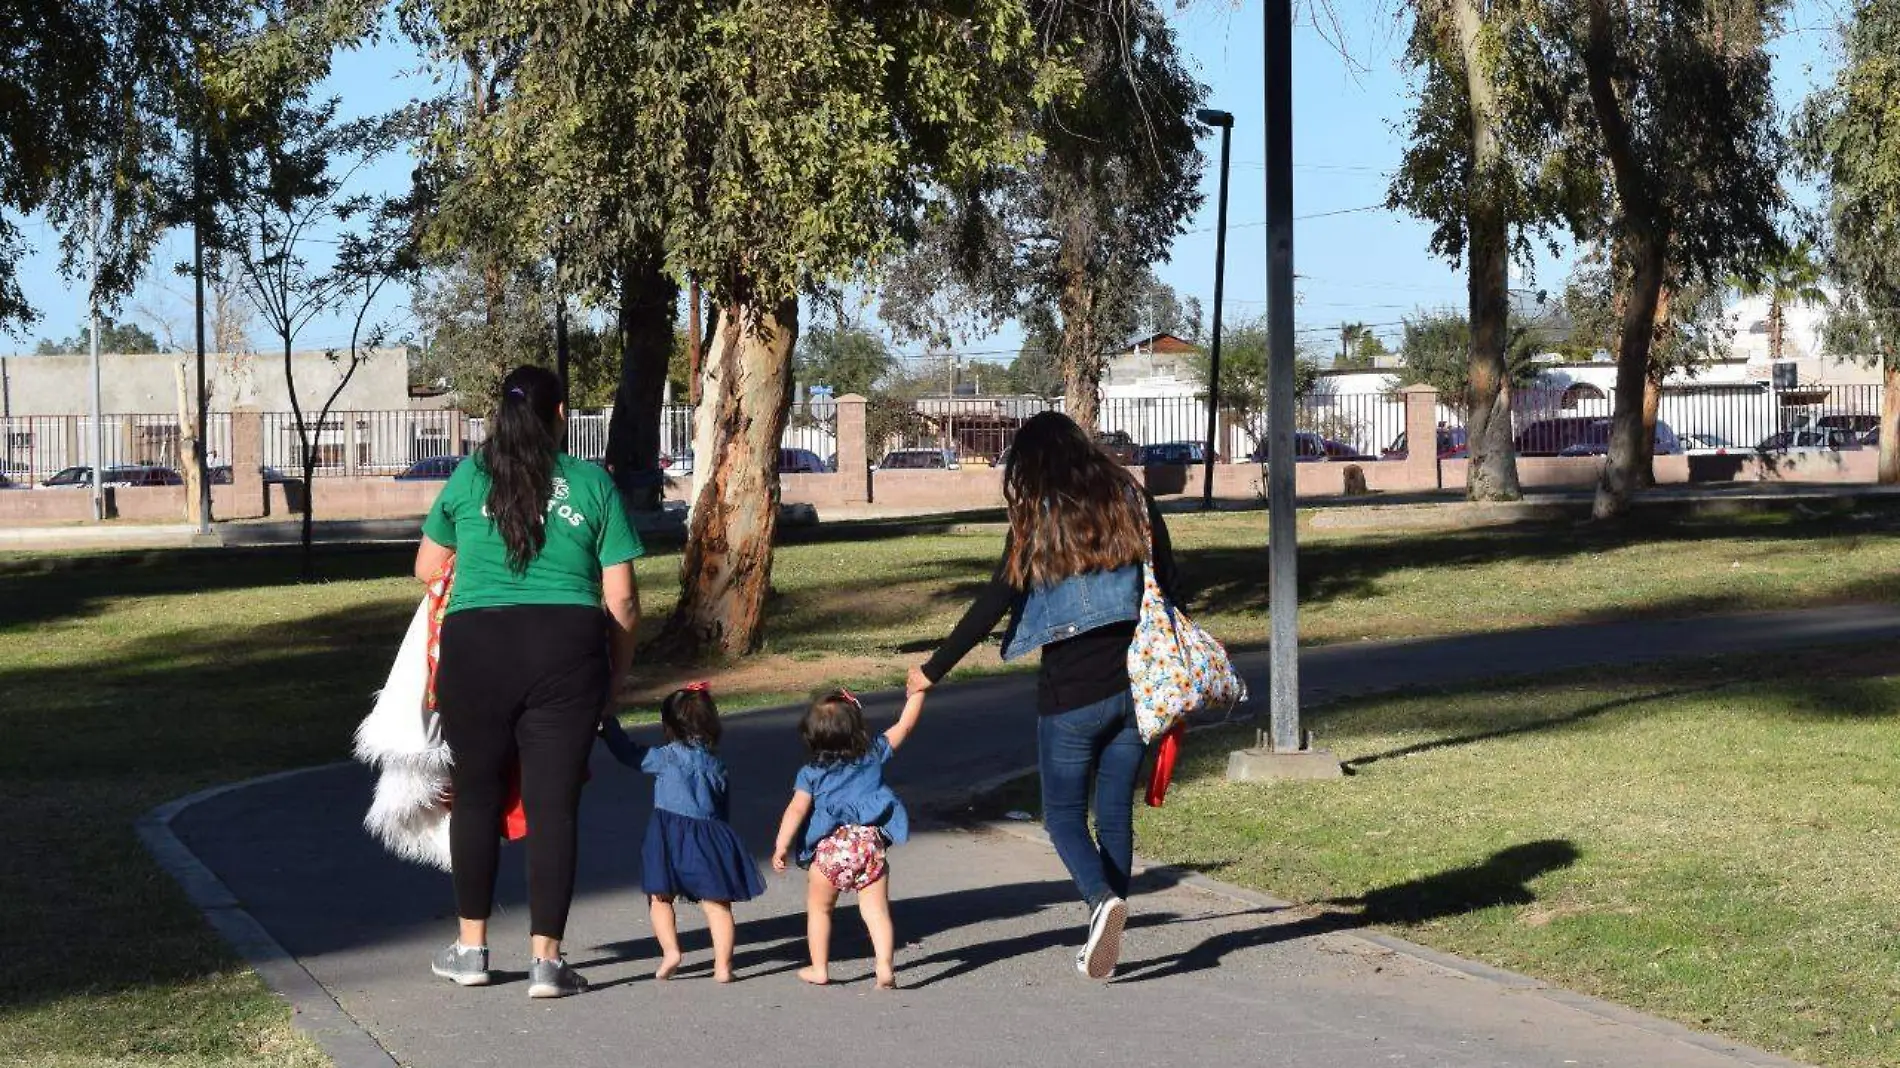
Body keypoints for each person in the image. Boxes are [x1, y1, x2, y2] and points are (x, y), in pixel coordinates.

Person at [909, 410, 1176, 981]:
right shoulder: (1134, 504)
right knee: (1113, 815)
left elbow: (993, 602)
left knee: (1060, 815)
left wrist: (934, 669)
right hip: (1136, 686)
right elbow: (1171, 584)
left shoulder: (1035, 520)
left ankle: (1100, 903)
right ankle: (1107, 918)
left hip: (1070, 696)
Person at [413, 365, 643, 999]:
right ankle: (547, 963)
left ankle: (470, 949)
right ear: (562, 414)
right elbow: (621, 601)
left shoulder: (469, 476)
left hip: (476, 648)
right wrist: (615, 678)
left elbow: (426, 565)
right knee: (552, 807)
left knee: (477, 797)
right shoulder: (593, 483)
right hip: (566, 652)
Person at [597, 683, 764, 982]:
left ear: (668, 725)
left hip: (668, 834)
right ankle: (724, 966)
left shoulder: (666, 757)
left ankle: (671, 951)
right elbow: (722, 805)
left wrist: (607, 726)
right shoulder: (717, 764)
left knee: (660, 896)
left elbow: (629, 754)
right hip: (710, 835)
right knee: (717, 903)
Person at [771, 688, 925, 989]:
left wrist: (781, 844)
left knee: (820, 909)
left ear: (812, 735)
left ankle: (819, 968)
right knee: (876, 910)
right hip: (869, 846)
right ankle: (884, 967)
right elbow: (905, 725)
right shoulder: (873, 755)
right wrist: (919, 691)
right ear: (857, 726)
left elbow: (796, 809)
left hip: (830, 851)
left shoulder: (810, 772)